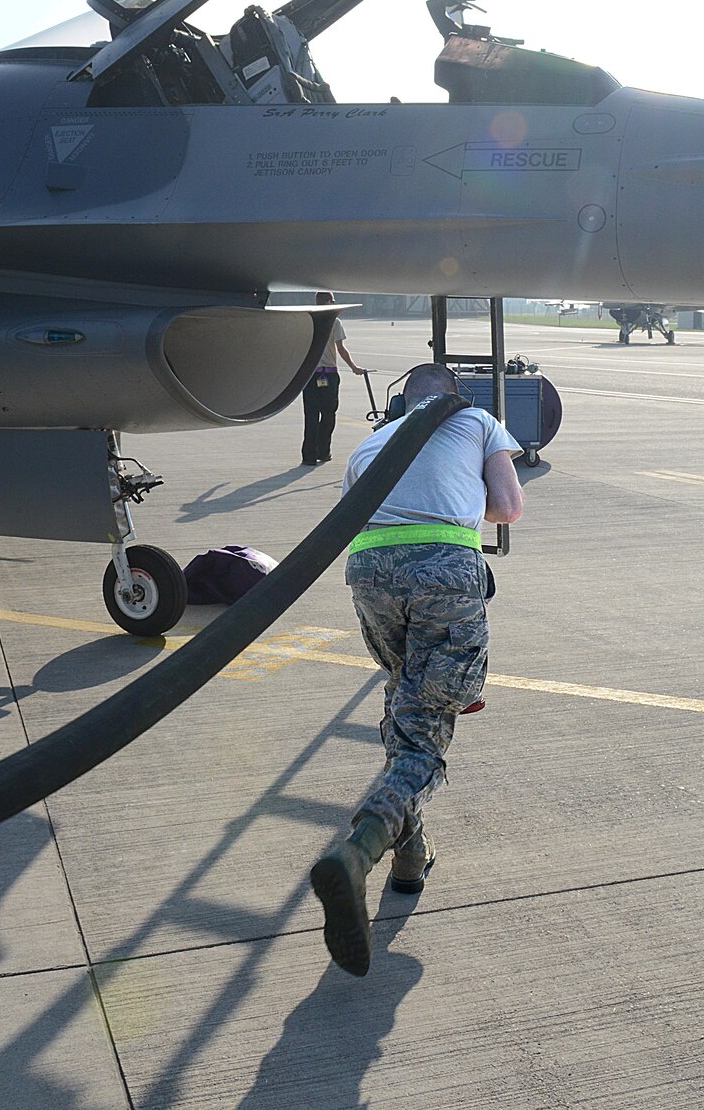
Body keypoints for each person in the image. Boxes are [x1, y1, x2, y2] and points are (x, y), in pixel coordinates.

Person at [309, 362, 524, 976]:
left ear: (401, 405)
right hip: (445, 571)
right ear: (455, 401)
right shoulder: (479, 422)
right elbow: (508, 509)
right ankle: (361, 847)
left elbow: (353, 518)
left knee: (407, 704)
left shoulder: (367, 445)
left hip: (370, 575)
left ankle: (411, 856)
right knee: (428, 723)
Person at [301, 292, 367, 465]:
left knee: (311, 416)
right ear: (329, 302)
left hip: (309, 375)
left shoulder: (308, 319)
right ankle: (323, 452)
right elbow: (341, 349)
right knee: (328, 415)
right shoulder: (334, 322)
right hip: (328, 374)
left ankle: (308, 456)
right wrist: (354, 367)